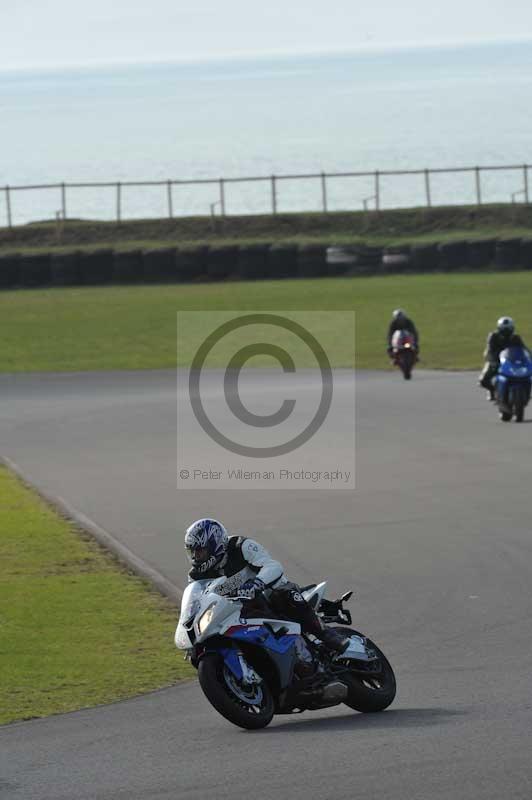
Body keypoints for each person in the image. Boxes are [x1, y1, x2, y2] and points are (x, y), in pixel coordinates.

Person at [184, 518, 349, 654]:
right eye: (192, 552)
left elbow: (273, 566)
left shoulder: (240, 545)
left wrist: (257, 583)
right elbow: (195, 602)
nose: (196, 557)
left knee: (284, 595)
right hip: (239, 609)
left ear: (215, 544)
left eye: (200, 551)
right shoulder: (196, 575)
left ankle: (327, 634)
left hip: (272, 592)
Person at [479, 316, 526, 401]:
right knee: (483, 380)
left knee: (525, 375)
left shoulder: (516, 338)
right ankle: (492, 391)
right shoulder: (493, 336)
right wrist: (492, 360)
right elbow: (490, 350)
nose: (507, 331)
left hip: (511, 361)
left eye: (509, 329)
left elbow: (524, 349)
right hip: (495, 360)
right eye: (504, 329)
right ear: (499, 328)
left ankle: (523, 392)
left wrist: (528, 357)